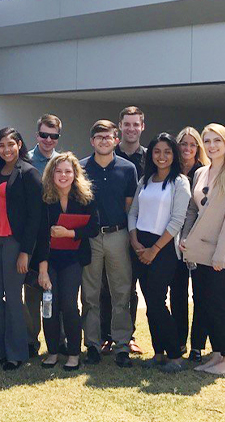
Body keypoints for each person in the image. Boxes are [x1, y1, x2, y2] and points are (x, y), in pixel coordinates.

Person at [181, 123, 225, 376]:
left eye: (216, 140)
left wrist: (221, 255)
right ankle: (218, 354)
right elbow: (191, 210)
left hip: (221, 253)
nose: (211, 146)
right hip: (198, 250)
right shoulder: (200, 173)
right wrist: (185, 237)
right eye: (206, 141)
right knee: (205, 304)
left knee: (218, 306)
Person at [127, 133, 192, 373]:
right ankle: (158, 352)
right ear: (150, 154)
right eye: (157, 152)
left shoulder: (180, 182)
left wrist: (154, 249)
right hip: (140, 244)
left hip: (163, 247)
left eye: (167, 151)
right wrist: (135, 242)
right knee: (151, 301)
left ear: (174, 155)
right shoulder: (145, 180)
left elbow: (177, 220)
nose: (161, 156)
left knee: (156, 302)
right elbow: (133, 212)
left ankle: (175, 355)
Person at [80, 120, 137, 368]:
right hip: (90, 236)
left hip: (118, 234)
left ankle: (122, 345)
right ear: (92, 141)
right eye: (99, 137)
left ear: (116, 140)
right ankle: (92, 344)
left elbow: (129, 205)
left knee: (121, 292)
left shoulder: (127, 168)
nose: (104, 141)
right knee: (90, 294)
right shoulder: (80, 168)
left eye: (109, 137)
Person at [0, 127, 41, 370]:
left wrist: (26, 252)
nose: (6, 150)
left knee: (14, 298)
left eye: (10, 144)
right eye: (1, 146)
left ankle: (17, 353)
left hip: (14, 242)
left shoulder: (29, 173)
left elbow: (35, 217)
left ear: (19, 144)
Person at [34, 152, 99, 371]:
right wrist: (42, 269)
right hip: (49, 261)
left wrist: (69, 233)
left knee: (70, 305)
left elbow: (92, 227)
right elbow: (40, 235)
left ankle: (73, 353)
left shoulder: (85, 197)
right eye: (58, 171)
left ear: (75, 173)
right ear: (51, 173)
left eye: (68, 171)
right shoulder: (44, 198)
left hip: (73, 260)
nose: (63, 175)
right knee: (49, 306)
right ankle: (52, 352)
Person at [105, 106, 146, 355]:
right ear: (120, 127)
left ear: (142, 126)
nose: (131, 128)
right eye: (127, 124)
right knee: (103, 287)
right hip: (111, 231)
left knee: (130, 287)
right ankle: (104, 336)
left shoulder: (150, 158)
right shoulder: (107, 154)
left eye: (136, 124)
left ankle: (127, 336)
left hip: (140, 233)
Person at [25, 113, 63, 355]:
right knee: (31, 293)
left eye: (53, 136)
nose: (48, 140)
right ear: (37, 134)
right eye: (44, 135)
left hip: (58, 234)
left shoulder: (65, 162)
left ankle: (57, 340)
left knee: (56, 290)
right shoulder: (26, 160)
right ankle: (30, 341)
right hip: (32, 235)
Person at [176, 127, 209, 361]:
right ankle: (179, 343)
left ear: (198, 148)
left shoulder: (205, 173)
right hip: (173, 240)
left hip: (200, 241)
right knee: (177, 294)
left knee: (200, 295)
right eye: (183, 144)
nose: (187, 148)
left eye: (192, 144)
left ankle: (197, 345)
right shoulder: (169, 171)